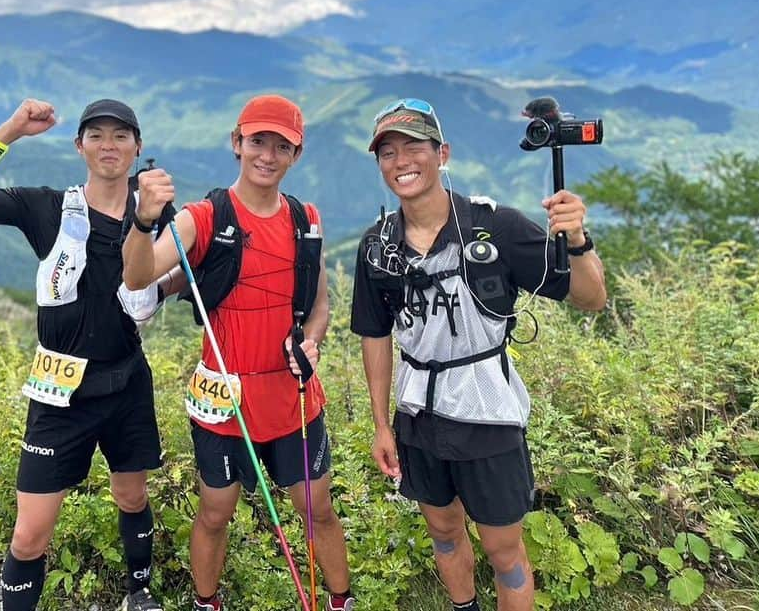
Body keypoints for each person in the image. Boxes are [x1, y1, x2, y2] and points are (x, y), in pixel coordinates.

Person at [350, 99, 607, 611]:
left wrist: (576, 238)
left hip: (487, 412)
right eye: (387, 152)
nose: (401, 161)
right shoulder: (378, 246)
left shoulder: (496, 228)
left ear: (441, 153)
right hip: (418, 416)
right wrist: (382, 424)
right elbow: (375, 336)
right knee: (443, 531)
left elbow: (590, 298)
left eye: (414, 147)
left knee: (503, 549)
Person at [0, 97, 171, 611]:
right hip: (59, 390)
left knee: (131, 496)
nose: (109, 145)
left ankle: (139, 592)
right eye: (97, 135)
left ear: (137, 147)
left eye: (120, 136)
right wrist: (13, 129)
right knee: (29, 535)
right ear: (79, 144)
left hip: (127, 381)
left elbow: (167, 277)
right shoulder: (48, 207)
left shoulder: (152, 210)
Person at [122, 94, 355, 611]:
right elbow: (138, 275)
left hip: (293, 394)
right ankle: (206, 602)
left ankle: (341, 601)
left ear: (296, 153)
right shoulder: (204, 218)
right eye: (257, 142)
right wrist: (143, 219)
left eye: (281, 146)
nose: (267, 155)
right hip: (224, 401)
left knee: (316, 508)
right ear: (237, 143)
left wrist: (312, 340)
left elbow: (319, 305)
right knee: (215, 512)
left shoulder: (305, 219)